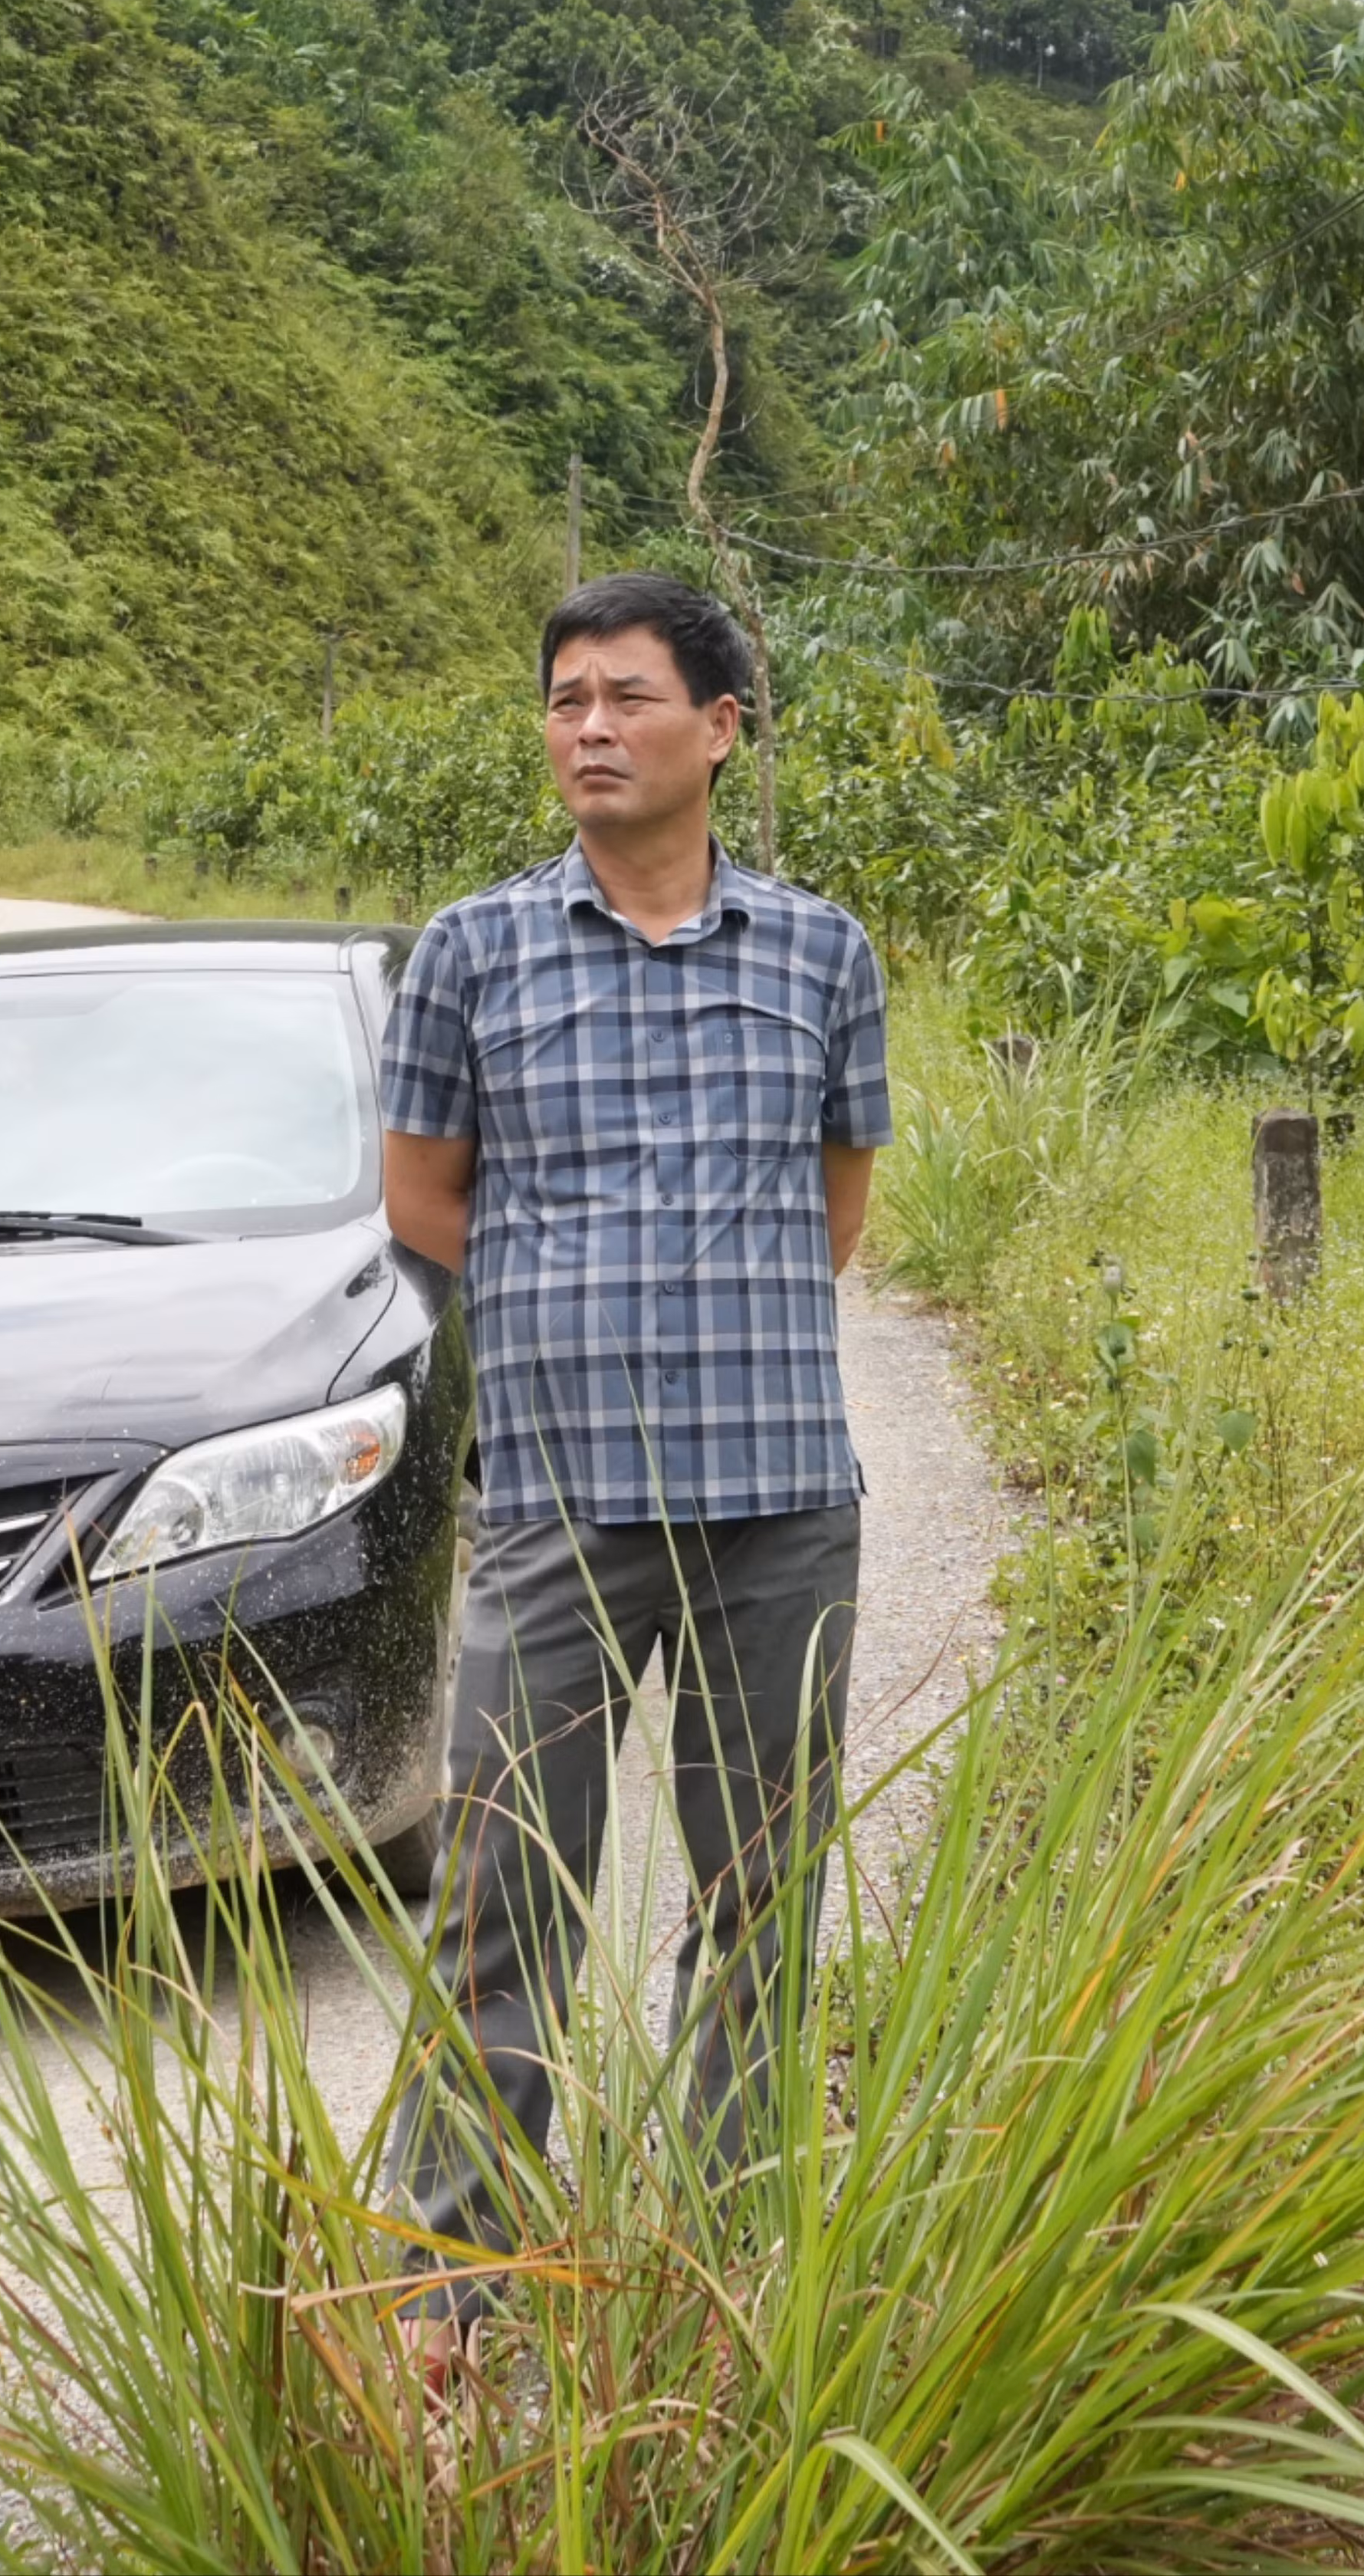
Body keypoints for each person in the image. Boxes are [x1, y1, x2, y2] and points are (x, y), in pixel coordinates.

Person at [377, 570, 890, 2371]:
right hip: (553, 1499)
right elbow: (421, 1202)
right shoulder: (471, 950)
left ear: (720, 729)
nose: (587, 728)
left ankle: (733, 2240)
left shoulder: (822, 953)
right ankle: (458, 2268)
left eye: (626, 698)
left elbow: (834, 1210)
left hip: (778, 1506)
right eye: (563, 700)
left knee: (759, 1891)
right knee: (507, 1881)